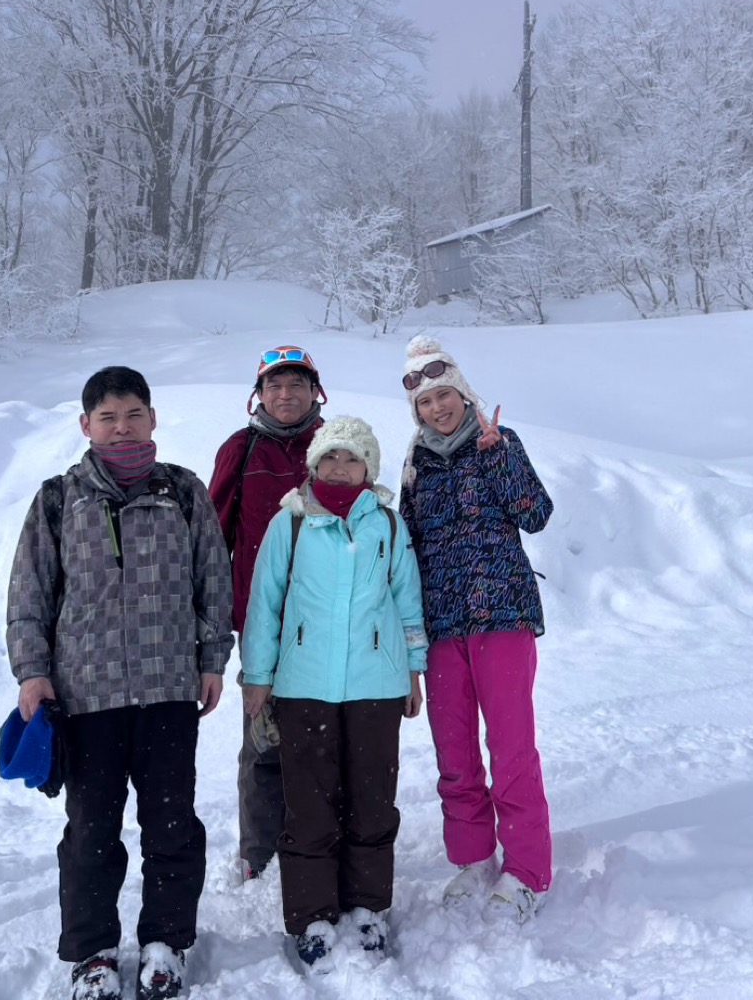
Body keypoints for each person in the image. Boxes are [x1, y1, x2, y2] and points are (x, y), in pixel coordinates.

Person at [7, 366, 233, 1000]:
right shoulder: (58, 499)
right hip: (87, 698)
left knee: (172, 825)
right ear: (86, 426)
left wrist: (213, 659)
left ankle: (166, 942)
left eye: (133, 413)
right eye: (107, 417)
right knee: (91, 833)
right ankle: (94, 953)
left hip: (167, 691)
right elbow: (29, 594)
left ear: (153, 419)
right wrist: (33, 673)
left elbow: (213, 583)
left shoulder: (184, 493)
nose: (122, 426)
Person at [239, 416, 426, 975]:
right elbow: (264, 604)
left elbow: (407, 601)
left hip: (376, 685)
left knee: (372, 800)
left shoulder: (388, 527)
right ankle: (313, 915)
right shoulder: (290, 525)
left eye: (353, 458)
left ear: (369, 469)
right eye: (331, 457)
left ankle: (367, 907)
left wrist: (413, 668)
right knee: (310, 804)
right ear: (314, 464)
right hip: (304, 687)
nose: (340, 467)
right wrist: (257, 674)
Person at [397, 335, 555, 924]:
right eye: (424, 403)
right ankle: (472, 858)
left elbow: (535, 515)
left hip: (503, 616)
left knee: (511, 748)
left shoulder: (498, 444)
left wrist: (499, 457)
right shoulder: (416, 466)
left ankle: (527, 870)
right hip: (442, 626)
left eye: (444, 395)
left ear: (462, 392)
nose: (437, 408)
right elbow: (409, 547)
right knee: (455, 753)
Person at [207, 346, 326, 881]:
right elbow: (214, 534)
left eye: (295, 384)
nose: (285, 395)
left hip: (329, 618)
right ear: (259, 394)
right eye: (275, 385)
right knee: (262, 742)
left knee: (326, 737)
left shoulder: (334, 446)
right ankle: (259, 853)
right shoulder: (241, 447)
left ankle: (321, 836)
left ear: (313, 392)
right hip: (263, 622)